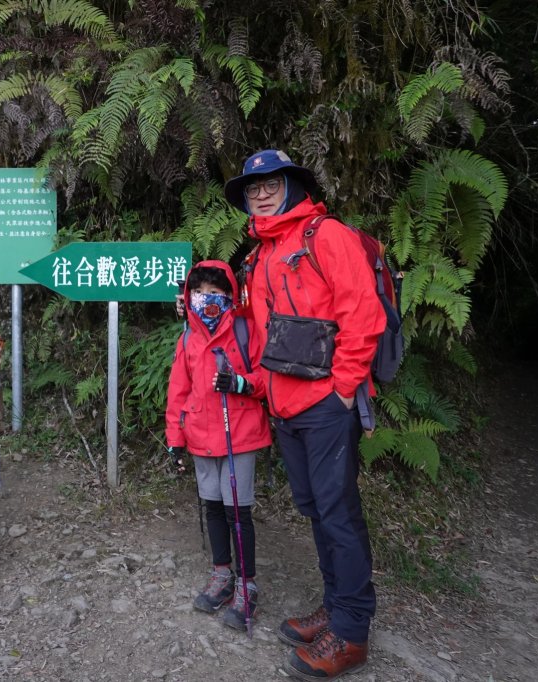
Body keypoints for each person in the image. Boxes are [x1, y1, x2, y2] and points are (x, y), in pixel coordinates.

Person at [224, 150, 385, 679]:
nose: (262, 194)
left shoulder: (326, 236)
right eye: (254, 189)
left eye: (272, 184)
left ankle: (353, 631)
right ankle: (335, 608)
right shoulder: (260, 254)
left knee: (338, 512)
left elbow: (363, 312)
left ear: (293, 185)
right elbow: (260, 330)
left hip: (325, 404)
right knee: (316, 509)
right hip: (285, 405)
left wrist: (343, 389)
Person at [165, 261, 272, 631]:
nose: (207, 299)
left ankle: (247, 585)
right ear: (188, 297)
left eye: (215, 292)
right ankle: (222, 574)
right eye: (199, 292)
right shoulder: (188, 338)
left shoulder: (245, 329)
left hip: (239, 434)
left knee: (237, 512)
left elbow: (266, 377)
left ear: (230, 295)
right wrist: (174, 440)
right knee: (212, 508)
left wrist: (242, 384)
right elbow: (178, 391)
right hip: (199, 435)